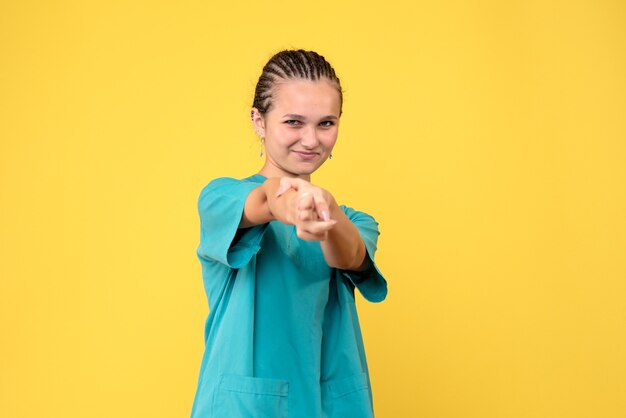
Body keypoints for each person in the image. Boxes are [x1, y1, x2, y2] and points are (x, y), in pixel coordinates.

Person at [190, 49, 388, 418]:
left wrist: (324, 210)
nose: (311, 140)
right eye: (294, 122)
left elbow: (349, 256)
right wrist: (286, 203)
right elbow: (264, 202)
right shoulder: (220, 199)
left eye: (326, 123)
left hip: (331, 406)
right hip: (244, 408)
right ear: (259, 121)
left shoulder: (354, 221)